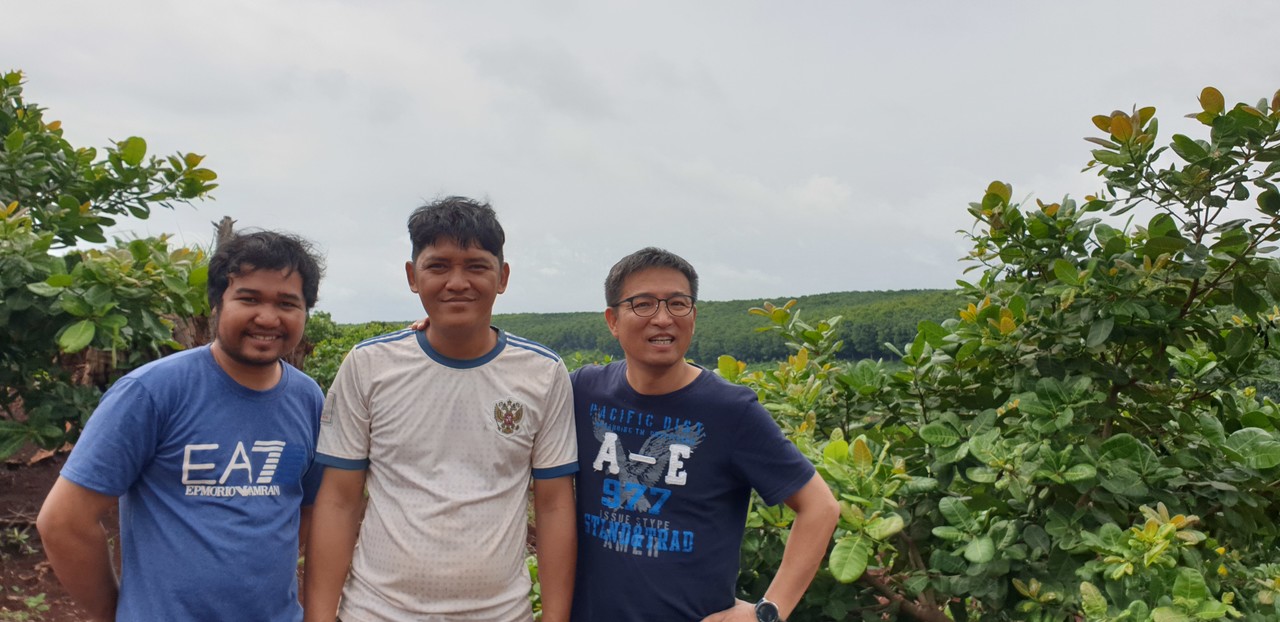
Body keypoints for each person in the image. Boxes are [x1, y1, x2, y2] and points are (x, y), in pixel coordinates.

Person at [304, 197, 577, 622]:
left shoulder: (543, 372)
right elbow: (339, 499)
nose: (457, 282)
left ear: (502, 277)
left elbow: (555, 503)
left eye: (475, 266)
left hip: (501, 614)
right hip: (375, 611)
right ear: (413, 276)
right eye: (438, 266)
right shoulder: (369, 364)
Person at [36, 230, 327, 622]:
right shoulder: (151, 392)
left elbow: (308, 509)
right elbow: (63, 521)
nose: (268, 317)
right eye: (249, 298)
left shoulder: (309, 399)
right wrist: (116, 612)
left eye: (287, 303)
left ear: (305, 312)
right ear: (217, 304)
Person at [571, 247, 839, 622]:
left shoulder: (731, 411)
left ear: (693, 316)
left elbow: (820, 507)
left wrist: (768, 612)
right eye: (643, 304)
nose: (663, 319)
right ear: (612, 320)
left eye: (678, 304)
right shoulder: (584, 391)